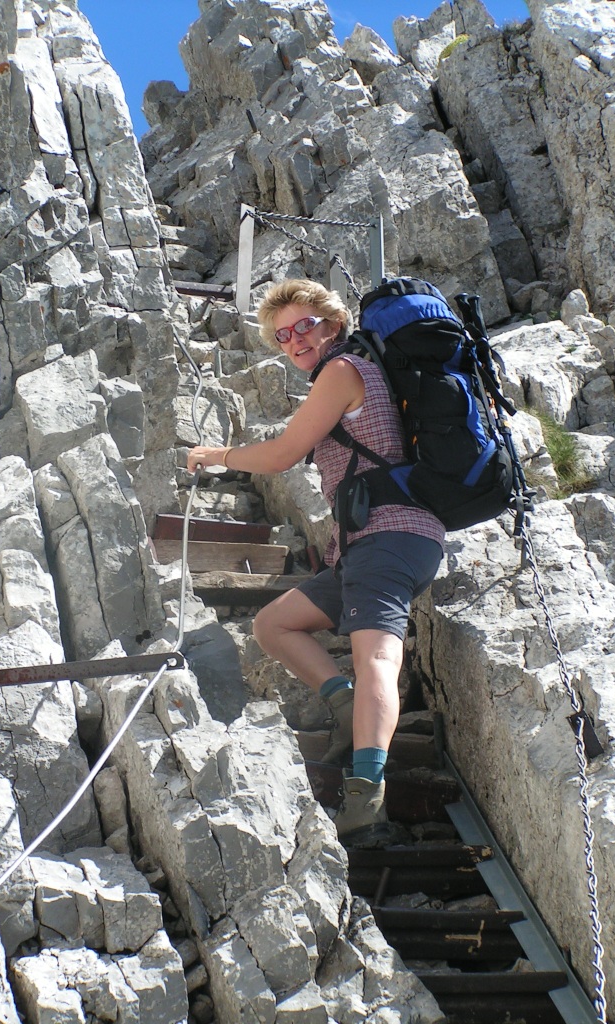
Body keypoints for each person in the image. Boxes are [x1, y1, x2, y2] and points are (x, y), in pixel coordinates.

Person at [187, 279, 444, 843]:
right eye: (282, 336)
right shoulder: (356, 370)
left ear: (334, 322)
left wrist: (218, 455)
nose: (295, 340)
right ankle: (348, 709)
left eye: (305, 326)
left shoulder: (343, 371)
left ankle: (365, 796)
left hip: (390, 536)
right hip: (370, 544)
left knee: (376, 657)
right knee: (273, 624)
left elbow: (284, 454)